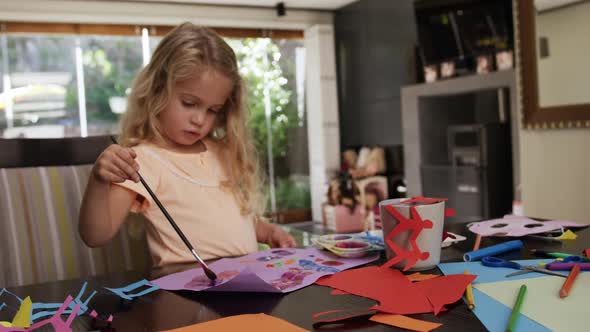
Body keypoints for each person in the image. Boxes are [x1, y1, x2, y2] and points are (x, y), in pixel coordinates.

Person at [79, 23, 295, 268]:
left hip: (246, 285)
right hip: (187, 296)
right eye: (190, 103)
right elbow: (95, 235)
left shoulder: (223, 151)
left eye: (213, 110)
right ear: (157, 90)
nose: (199, 119)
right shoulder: (141, 161)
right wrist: (98, 180)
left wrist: (267, 232)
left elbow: (230, 221)